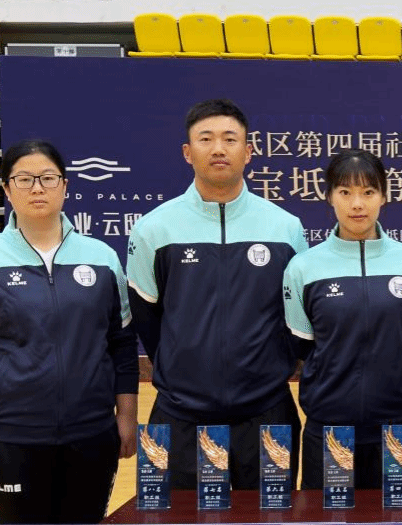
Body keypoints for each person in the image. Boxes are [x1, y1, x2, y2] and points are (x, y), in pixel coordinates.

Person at [0, 140, 138, 523]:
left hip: (92, 433)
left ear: (65, 186)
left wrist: (127, 417)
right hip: (12, 436)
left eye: (48, 178)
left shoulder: (102, 258)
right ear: (6, 188)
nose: (37, 188)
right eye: (24, 179)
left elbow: (122, 344)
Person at [126, 99, 307, 489]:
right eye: (206, 139)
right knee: (173, 518)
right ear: (187, 152)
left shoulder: (285, 228)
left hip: (267, 414)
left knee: (270, 517)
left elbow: (296, 316)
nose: (219, 149)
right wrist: (184, 369)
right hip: (180, 416)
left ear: (249, 151)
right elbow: (146, 318)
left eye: (230, 139)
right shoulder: (153, 229)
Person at [284, 149, 402, 489]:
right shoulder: (303, 267)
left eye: (368, 192)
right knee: (328, 515)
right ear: (329, 196)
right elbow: (302, 345)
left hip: (399, 428)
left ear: (384, 196)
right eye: (345, 192)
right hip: (330, 429)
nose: (357, 204)